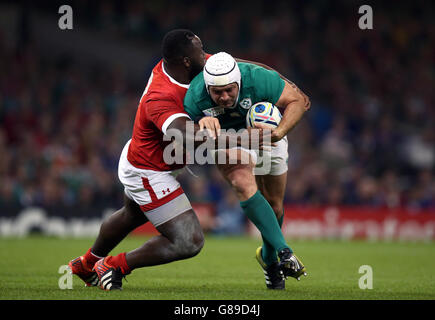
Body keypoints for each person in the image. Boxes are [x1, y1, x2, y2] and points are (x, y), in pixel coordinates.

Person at [67, 30, 271, 290]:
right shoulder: (160, 95)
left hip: (151, 158)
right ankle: (113, 266)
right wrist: (242, 139)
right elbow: (184, 136)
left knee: (132, 215)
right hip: (149, 170)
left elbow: (240, 68)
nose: (205, 55)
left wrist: (275, 79)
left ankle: (86, 264)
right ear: (186, 60)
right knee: (189, 240)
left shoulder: (189, 67)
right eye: (200, 50)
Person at [183, 52, 311, 289]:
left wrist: (278, 132)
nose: (223, 97)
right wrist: (201, 125)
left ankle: (268, 258)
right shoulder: (195, 95)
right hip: (228, 139)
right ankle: (284, 253)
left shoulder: (258, 79)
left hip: (267, 134)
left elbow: (298, 101)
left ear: (239, 83)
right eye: (217, 92)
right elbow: (187, 135)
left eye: (229, 90)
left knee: (275, 205)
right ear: (208, 88)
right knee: (242, 182)